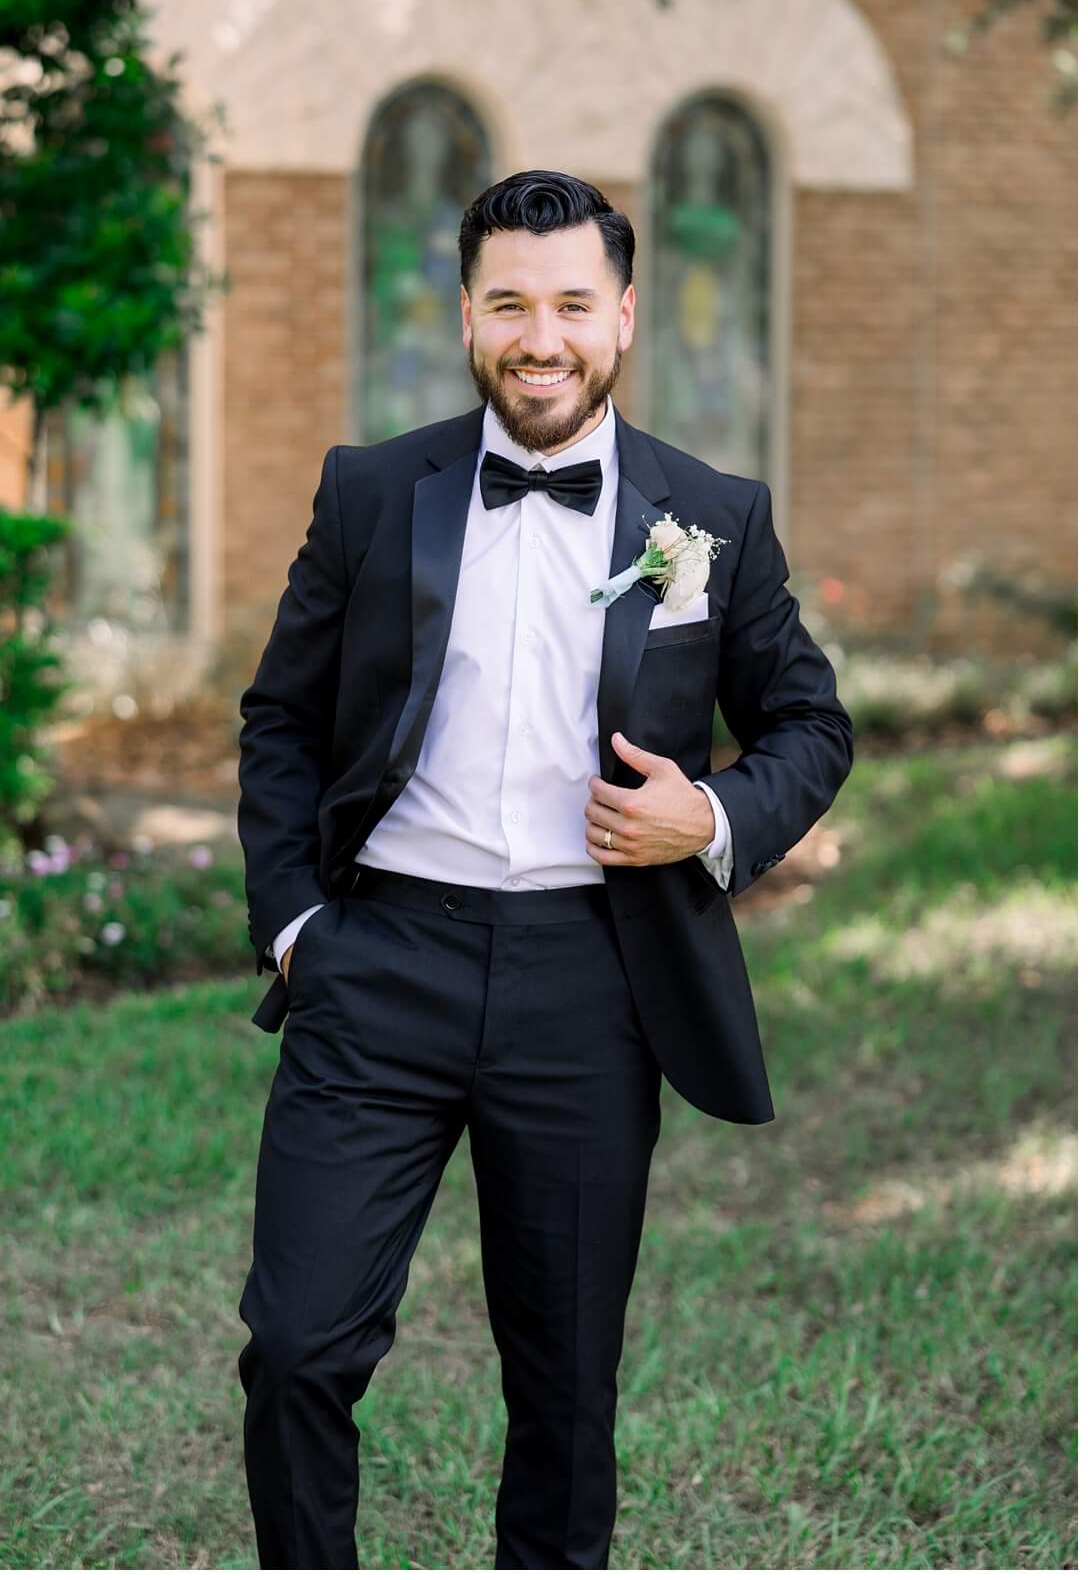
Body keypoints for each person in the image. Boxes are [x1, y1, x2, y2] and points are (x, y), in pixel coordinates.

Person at [235, 170, 854, 1567]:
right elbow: (280, 718)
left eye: (573, 303)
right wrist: (294, 929)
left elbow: (814, 725)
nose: (541, 336)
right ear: (466, 316)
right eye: (509, 303)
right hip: (379, 959)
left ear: (624, 317)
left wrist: (710, 814)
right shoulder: (371, 490)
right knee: (295, 1345)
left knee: (564, 1388)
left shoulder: (713, 516)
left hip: (593, 979)